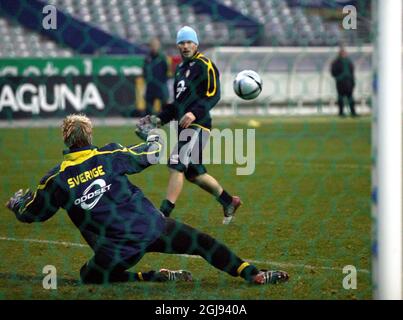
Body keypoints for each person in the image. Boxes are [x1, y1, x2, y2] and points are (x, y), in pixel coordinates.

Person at [5, 114, 289, 286]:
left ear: (66, 140)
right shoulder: (110, 155)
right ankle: (253, 274)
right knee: (203, 243)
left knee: (89, 276)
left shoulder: (56, 179)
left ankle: (148, 277)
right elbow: (152, 153)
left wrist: (18, 203)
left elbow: (33, 213)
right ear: (90, 135)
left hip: (116, 249)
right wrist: (151, 134)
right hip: (151, 227)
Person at [139, 26, 241, 224]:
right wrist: (159, 119)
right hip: (183, 127)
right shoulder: (180, 69)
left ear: (196, 44)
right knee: (194, 173)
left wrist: (195, 113)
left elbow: (214, 93)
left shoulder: (205, 64)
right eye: (182, 42)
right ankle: (229, 201)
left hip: (199, 125)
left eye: (189, 42)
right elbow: (177, 104)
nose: (185, 46)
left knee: (176, 164)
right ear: (177, 45)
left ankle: (162, 215)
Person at [143, 37, 169, 115]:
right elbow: (144, 71)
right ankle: (148, 123)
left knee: (164, 105)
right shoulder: (147, 58)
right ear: (150, 46)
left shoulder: (162, 57)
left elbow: (166, 70)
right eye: (153, 45)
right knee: (149, 108)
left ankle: (164, 120)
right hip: (150, 86)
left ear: (159, 46)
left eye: (156, 45)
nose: (154, 47)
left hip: (161, 85)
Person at [330, 47, 357, 117]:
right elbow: (333, 72)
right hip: (340, 82)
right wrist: (338, 77)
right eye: (342, 53)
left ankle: (353, 112)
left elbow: (352, 71)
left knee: (350, 97)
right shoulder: (336, 62)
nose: (344, 54)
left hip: (349, 82)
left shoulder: (349, 61)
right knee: (340, 97)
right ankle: (341, 112)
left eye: (345, 53)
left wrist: (353, 81)